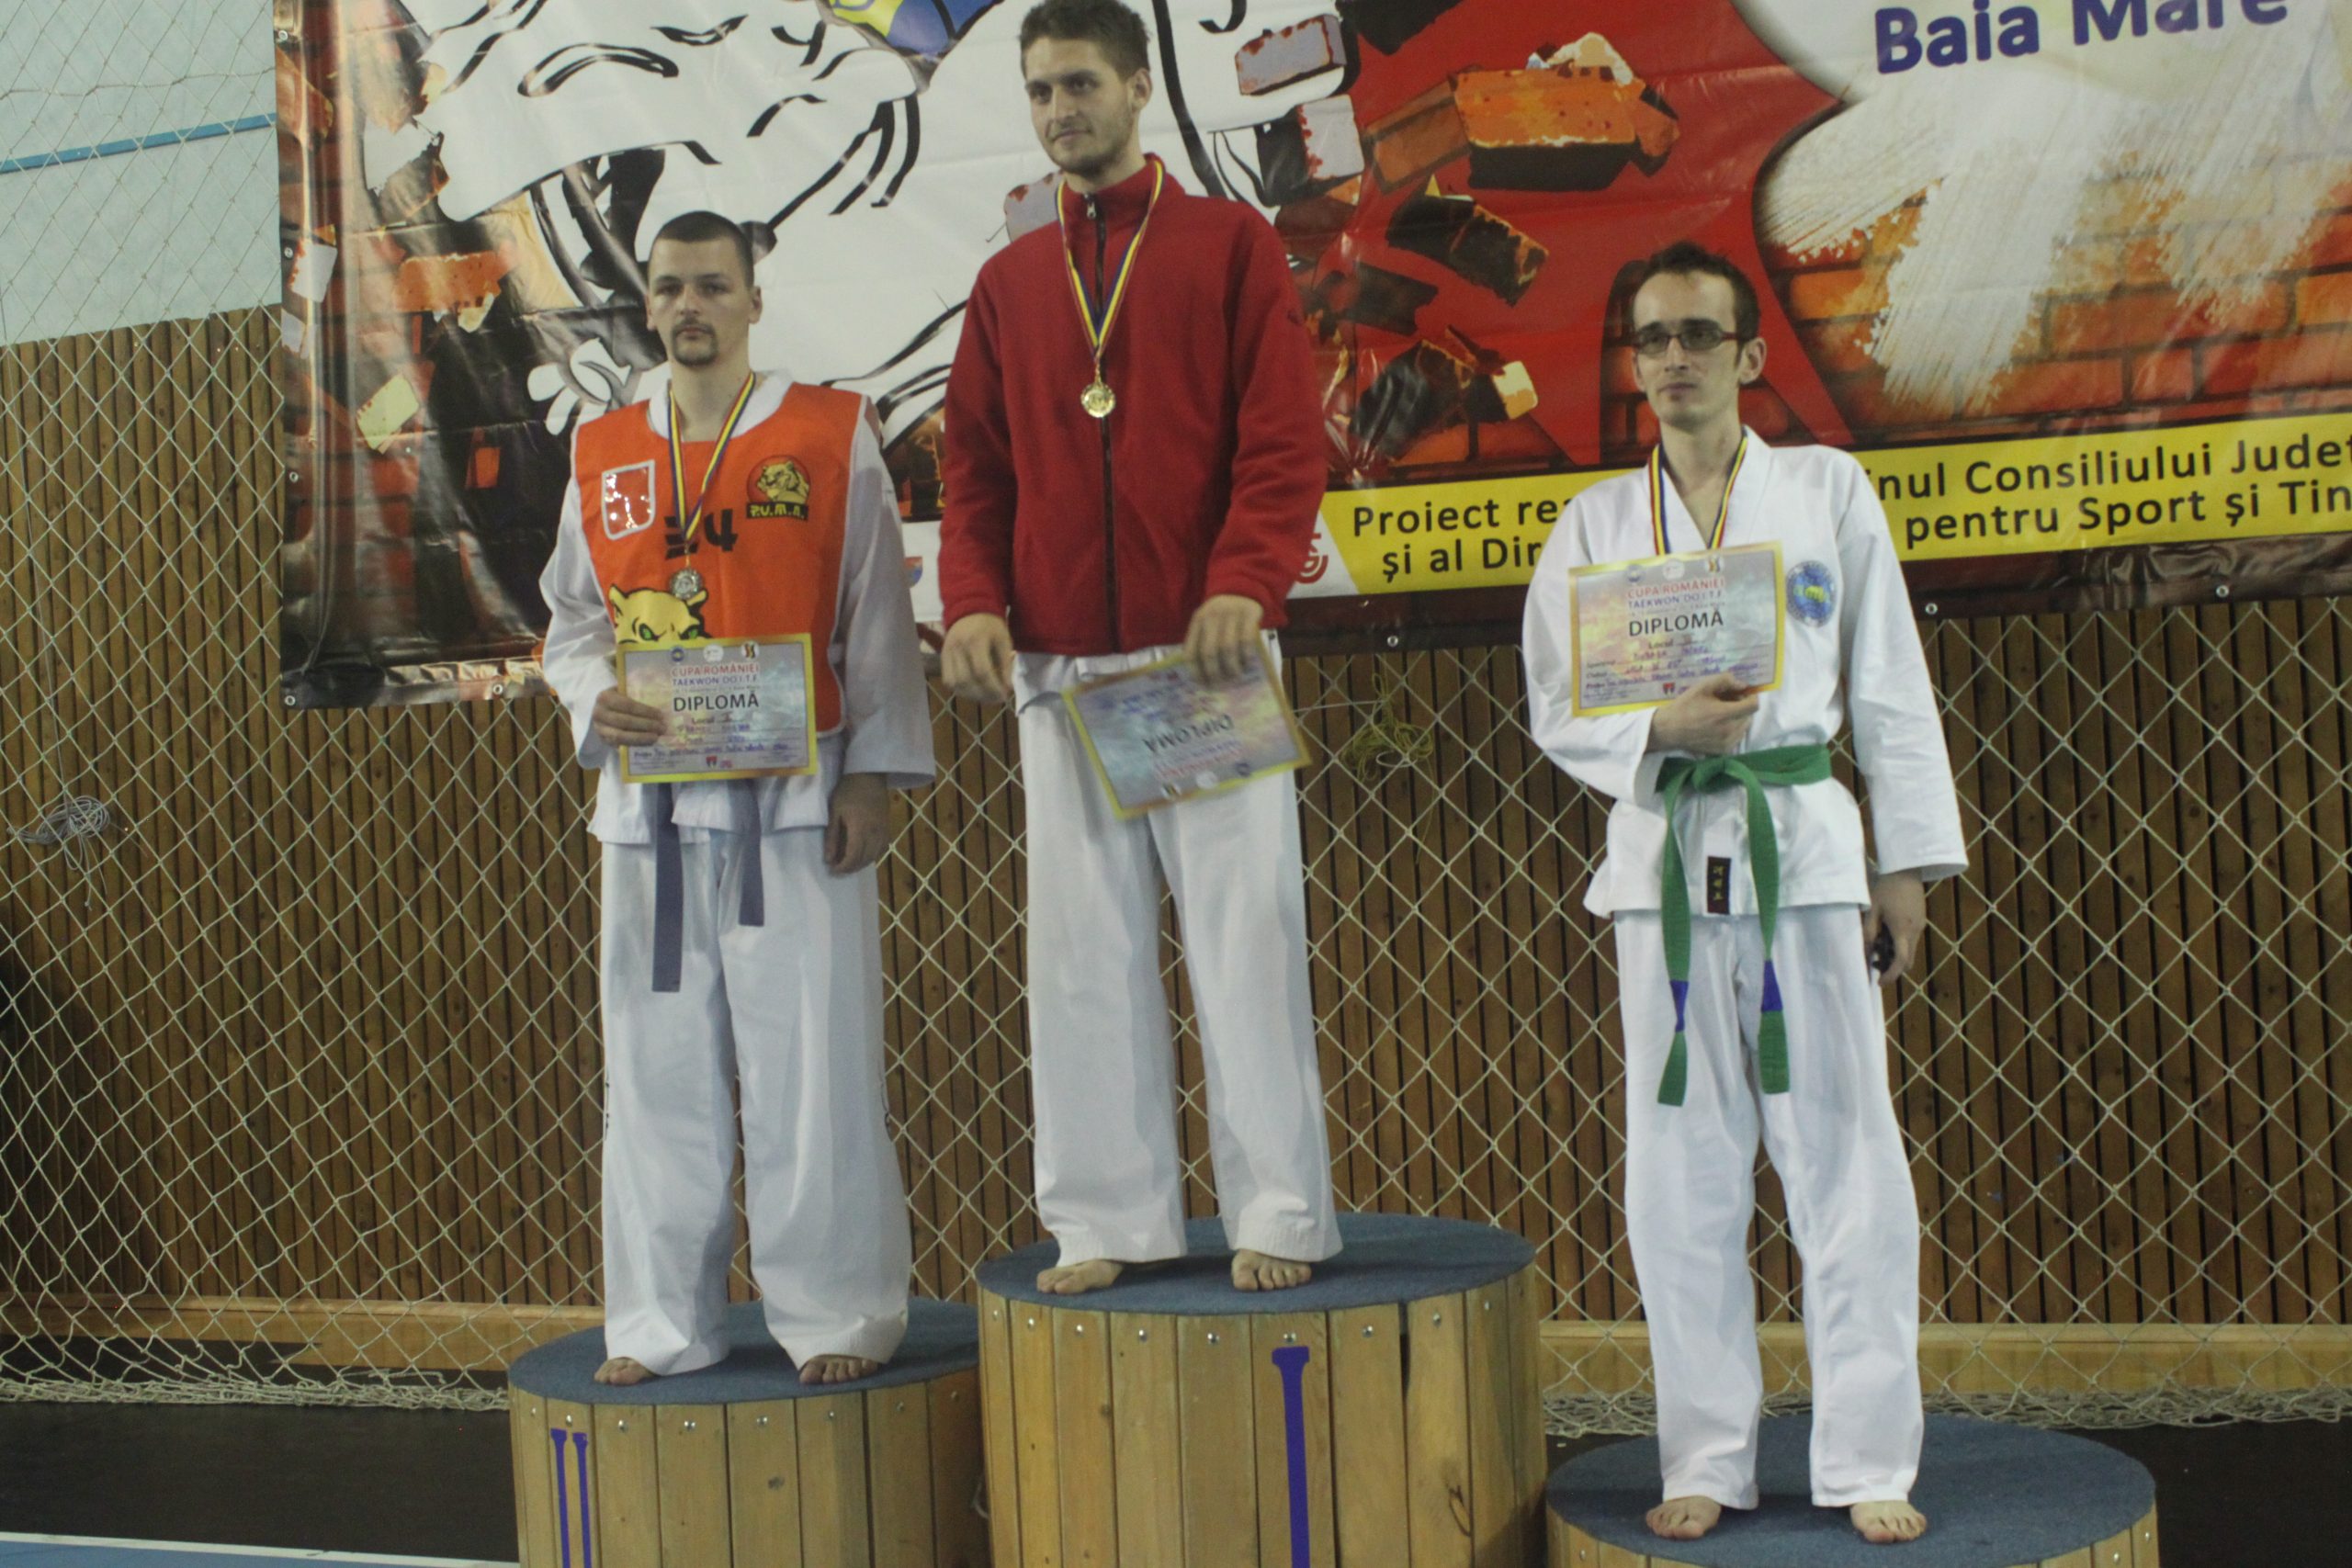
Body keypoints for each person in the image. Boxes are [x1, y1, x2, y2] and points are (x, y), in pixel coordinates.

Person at [1521, 241, 1966, 1545]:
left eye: (1698, 335)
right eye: (1652, 338)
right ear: (1634, 363)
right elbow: (1552, 700)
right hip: (1663, 863)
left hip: (1804, 859)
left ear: (1748, 354)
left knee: (1846, 1161)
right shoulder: (1596, 523)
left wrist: (1903, 863)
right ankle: (1707, 1453)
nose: (1673, 358)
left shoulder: (1825, 489)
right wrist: (1655, 728)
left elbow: (1888, 682)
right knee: (1681, 1171)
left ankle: (1868, 1456)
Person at [936, 0, 1340, 1295]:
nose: (1060, 110)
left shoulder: (1228, 245)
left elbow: (1283, 439)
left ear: (1137, 87)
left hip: (1198, 658)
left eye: (1079, 84)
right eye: (1040, 91)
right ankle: (1106, 1220)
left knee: (1244, 940)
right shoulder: (1009, 285)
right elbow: (973, 473)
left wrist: (1244, 585)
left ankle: (1279, 1210)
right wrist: (976, 602)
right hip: (1059, 662)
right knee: (1080, 956)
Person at [537, 209, 933, 1386]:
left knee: (811, 1072)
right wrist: (593, 699)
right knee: (655, 1076)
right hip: (649, 815)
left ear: (754, 300)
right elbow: (570, 624)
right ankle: (661, 1325)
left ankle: (839, 1314)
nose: (690, 307)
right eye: (669, 288)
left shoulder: (826, 431)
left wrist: (873, 773)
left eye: (713, 286)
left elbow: (875, 614)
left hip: (797, 802)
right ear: (646, 305)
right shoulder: (602, 449)